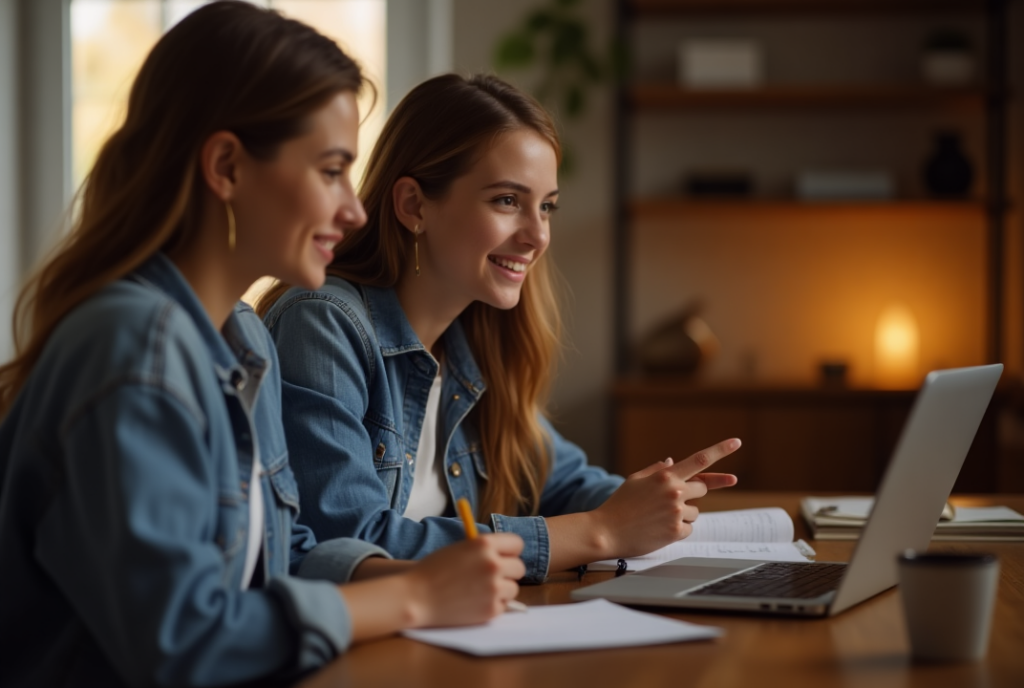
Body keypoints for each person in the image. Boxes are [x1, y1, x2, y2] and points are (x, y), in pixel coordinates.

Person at [0, 4, 525, 687]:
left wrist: (404, 575)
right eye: (331, 170)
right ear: (226, 166)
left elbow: (279, 556)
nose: (355, 209)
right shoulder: (136, 349)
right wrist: (414, 596)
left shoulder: (242, 337)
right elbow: (180, 642)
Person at [256, 73, 740, 584]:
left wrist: (654, 500)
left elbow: (567, 481)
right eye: (507, 201)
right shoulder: (323, 323)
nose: (537, 236)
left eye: (546, 206)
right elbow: (349, 546)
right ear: (413, 206)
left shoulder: (473, 343)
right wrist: (601, 531)